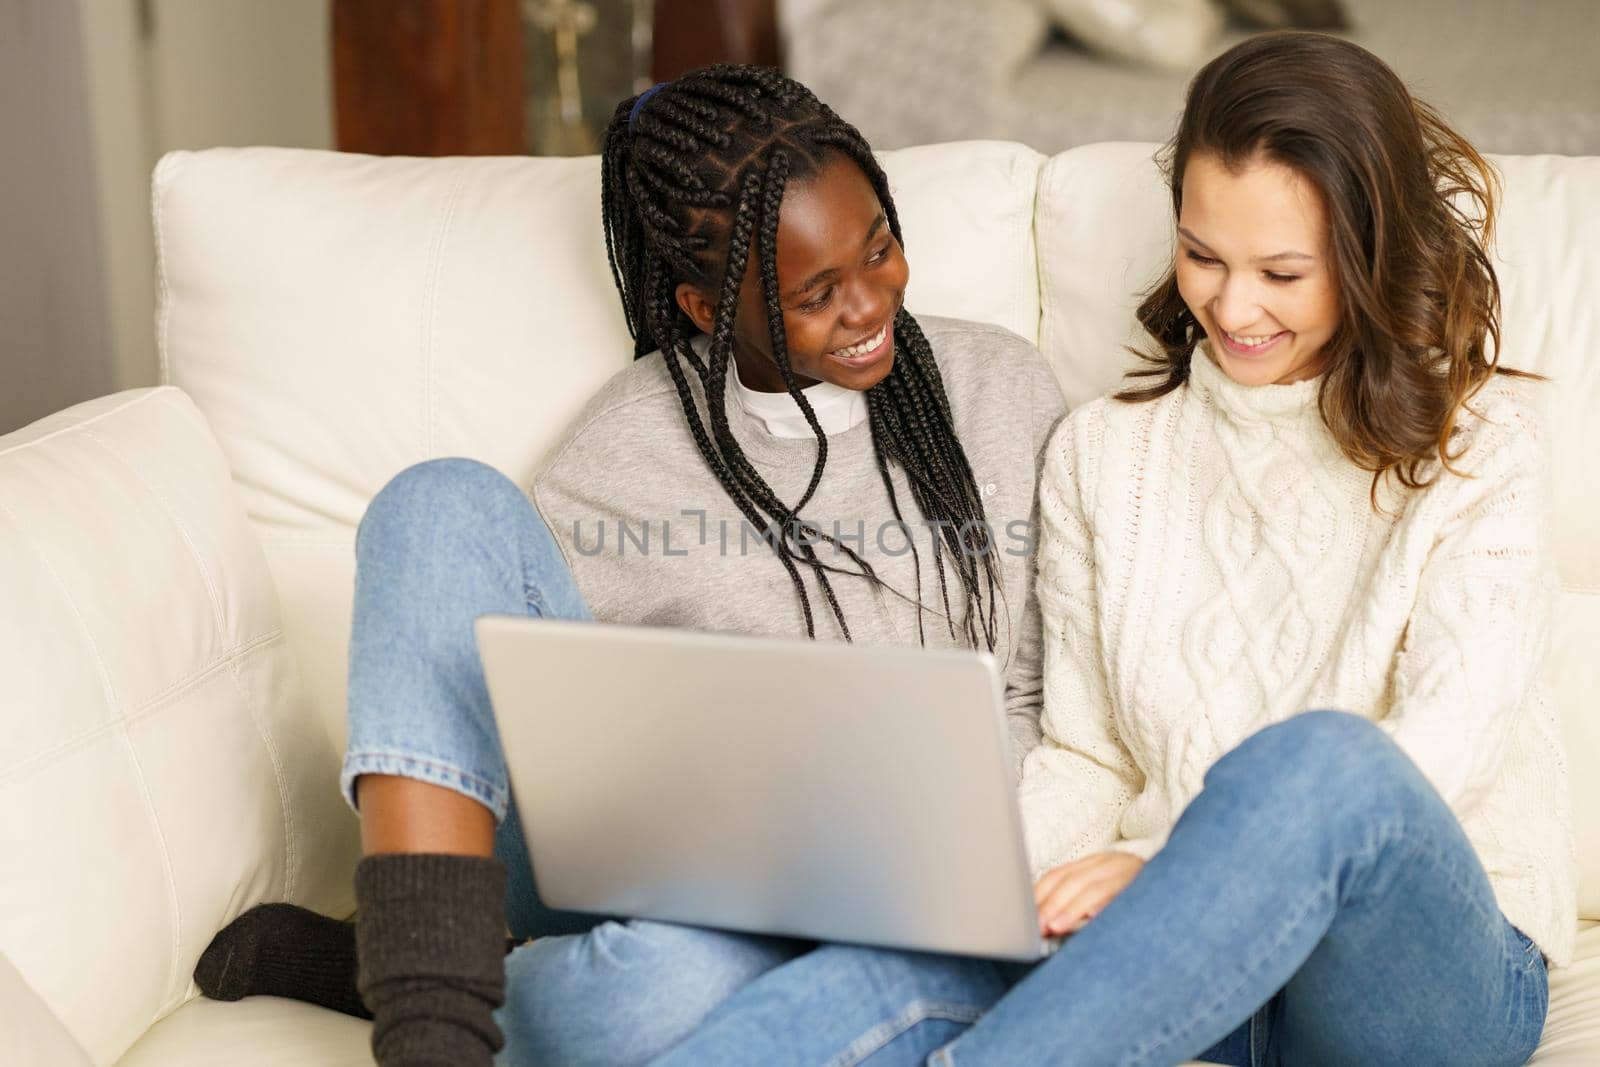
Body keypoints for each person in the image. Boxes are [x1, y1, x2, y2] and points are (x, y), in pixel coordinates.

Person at [648, 32, 1576, 1067]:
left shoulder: (1478, 447)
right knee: (862, 979)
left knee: (1324, 761)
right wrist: (970, 893)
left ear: (1368, 251)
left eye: (1280, 271)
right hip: (1181, 962)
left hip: (1424, 979)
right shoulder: (1105, 453)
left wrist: (1174, 866)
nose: (1230, 306)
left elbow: (1448, 742)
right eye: (1202, 255)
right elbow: (1088, 754)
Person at [188, 65, 1066, 1067]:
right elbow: (544, 706)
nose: (871, 303)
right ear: (700, 302)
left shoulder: (1000, 389)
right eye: (815, 294)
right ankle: (428, 1019)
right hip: (623, 866)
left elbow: (1050, 691)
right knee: (437, 501)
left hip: (867, 893)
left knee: (648, 996)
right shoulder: (627, 443)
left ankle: (389, 965)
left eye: (880, 249)